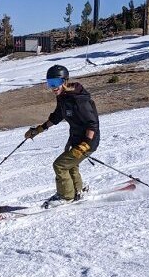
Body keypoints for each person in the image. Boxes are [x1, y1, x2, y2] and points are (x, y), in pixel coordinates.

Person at [24, 64, 100, 207]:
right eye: (50, 83)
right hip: (76, 138)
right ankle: (77, 191)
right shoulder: (63, 97)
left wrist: (85, 145)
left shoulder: (79, 100)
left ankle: (66, 196)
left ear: (64, 81)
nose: (53, 87)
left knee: (60, 165)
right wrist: (39, 129)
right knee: (71, 165)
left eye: (56, 83)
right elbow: (57, 116)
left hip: (87, 141)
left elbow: (92, 124)